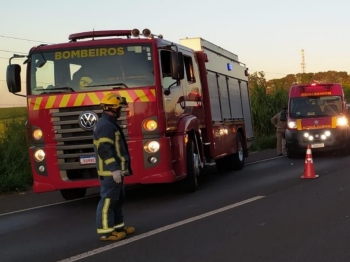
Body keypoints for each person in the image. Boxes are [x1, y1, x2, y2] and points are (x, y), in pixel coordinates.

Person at [93, 93, 135, 241]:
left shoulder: (109, 123)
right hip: (110, 172)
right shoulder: (105, 125)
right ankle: (106, 232)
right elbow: (104, 149)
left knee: (117, 199)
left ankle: (118, 227)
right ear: (113, 108)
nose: (121, 111)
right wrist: (114, 169)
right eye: (119, 108)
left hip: (116, 171)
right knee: (108, 201)